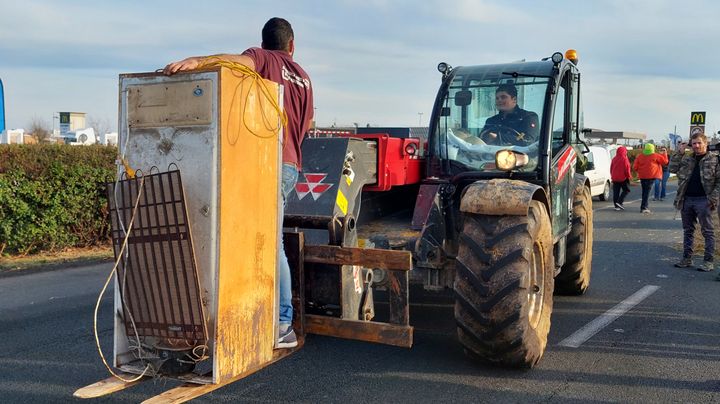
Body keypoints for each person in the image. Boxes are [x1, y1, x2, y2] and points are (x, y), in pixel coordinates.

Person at [164, 17, 314, 348]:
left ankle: (282, 323)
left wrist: (200, 62)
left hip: (267, 163)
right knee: (258, 239)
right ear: (292, 44)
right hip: (290, 163)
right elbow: (306, 123)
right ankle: (259, 314)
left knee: (268, 243)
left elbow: (238, 63)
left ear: (265, 44)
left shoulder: (263, 59)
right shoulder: (303, 77)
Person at [669, 133, 720, 273]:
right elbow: (672, 169)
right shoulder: (687, 158)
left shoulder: (714, 159)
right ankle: (686, 259)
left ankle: (708, 262)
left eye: (699, 143)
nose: (696, 146)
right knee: (688, 231)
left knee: (708, 232)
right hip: (686, 199)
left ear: (705, 144)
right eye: (694, 143)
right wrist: (679, 153)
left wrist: (713, 198)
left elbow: (719, 181)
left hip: (704, 200)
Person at [632, 143, 668, 213]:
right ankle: (644, 207)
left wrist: (640, 170)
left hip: (642, 176)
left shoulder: (640, 156)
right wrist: (664, 153)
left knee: (644, 191)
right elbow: (665, 162)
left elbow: (635, 167)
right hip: (651, 175)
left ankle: (644, 206)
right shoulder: (655, 155)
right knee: (647, 192)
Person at [610, 146, 632, 210]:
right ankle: (619, 202)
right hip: (623, 178)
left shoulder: (614, 158)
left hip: (615, 178)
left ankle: (616, 206)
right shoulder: (625, 159)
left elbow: (611, 168)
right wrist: (629, 176)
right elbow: (627, 169)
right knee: (626, 190)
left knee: (616, 192)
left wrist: (612, 175)